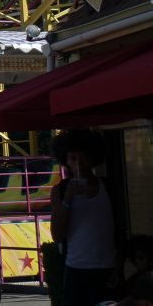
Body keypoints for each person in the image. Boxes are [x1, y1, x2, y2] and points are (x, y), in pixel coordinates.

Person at [51, 129, 123, 306]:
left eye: (83, 157)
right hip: (76, 270)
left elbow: (121, 228)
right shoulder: (60, 191)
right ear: (65, 160)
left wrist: (119, 266)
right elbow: (57, 235)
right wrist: (67, 199)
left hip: (107, 268)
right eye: (73, 158)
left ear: (93, 158)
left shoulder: (109, 187)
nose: (79, 163)